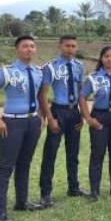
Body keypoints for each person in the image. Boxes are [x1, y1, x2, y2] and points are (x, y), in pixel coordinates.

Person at [0, 35, 45, 221]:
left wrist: (41, 116)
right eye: (25, 46)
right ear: (17, 50)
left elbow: (41, 96)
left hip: (32, 122)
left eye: (32, 46)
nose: (29, 49)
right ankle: (0, 212)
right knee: (5, 167)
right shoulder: (6, 72)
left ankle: (22, 201)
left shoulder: (38, 72)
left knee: (25, 163)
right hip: (12, 123)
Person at [38, 35, 89, 208]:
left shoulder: (79, 67)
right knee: (50, 153)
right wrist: (49, 118)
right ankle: (45, 193)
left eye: (73, 46)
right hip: (58, 111)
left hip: (74, 112)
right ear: (60, 46)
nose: (70, 49)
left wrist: (82, 114)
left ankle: (73, 187)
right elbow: (43, 94)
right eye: (67, 45)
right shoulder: (50, 67)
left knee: (73, 153)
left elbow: (81, 91)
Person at [79, 46, 111, 201]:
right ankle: (94, 190)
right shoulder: (94, 78)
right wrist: (88, 117)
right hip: (100, 117)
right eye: (106, 56)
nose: (109, 59)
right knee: (98, 154)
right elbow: (82, 97)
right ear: (101, 58)